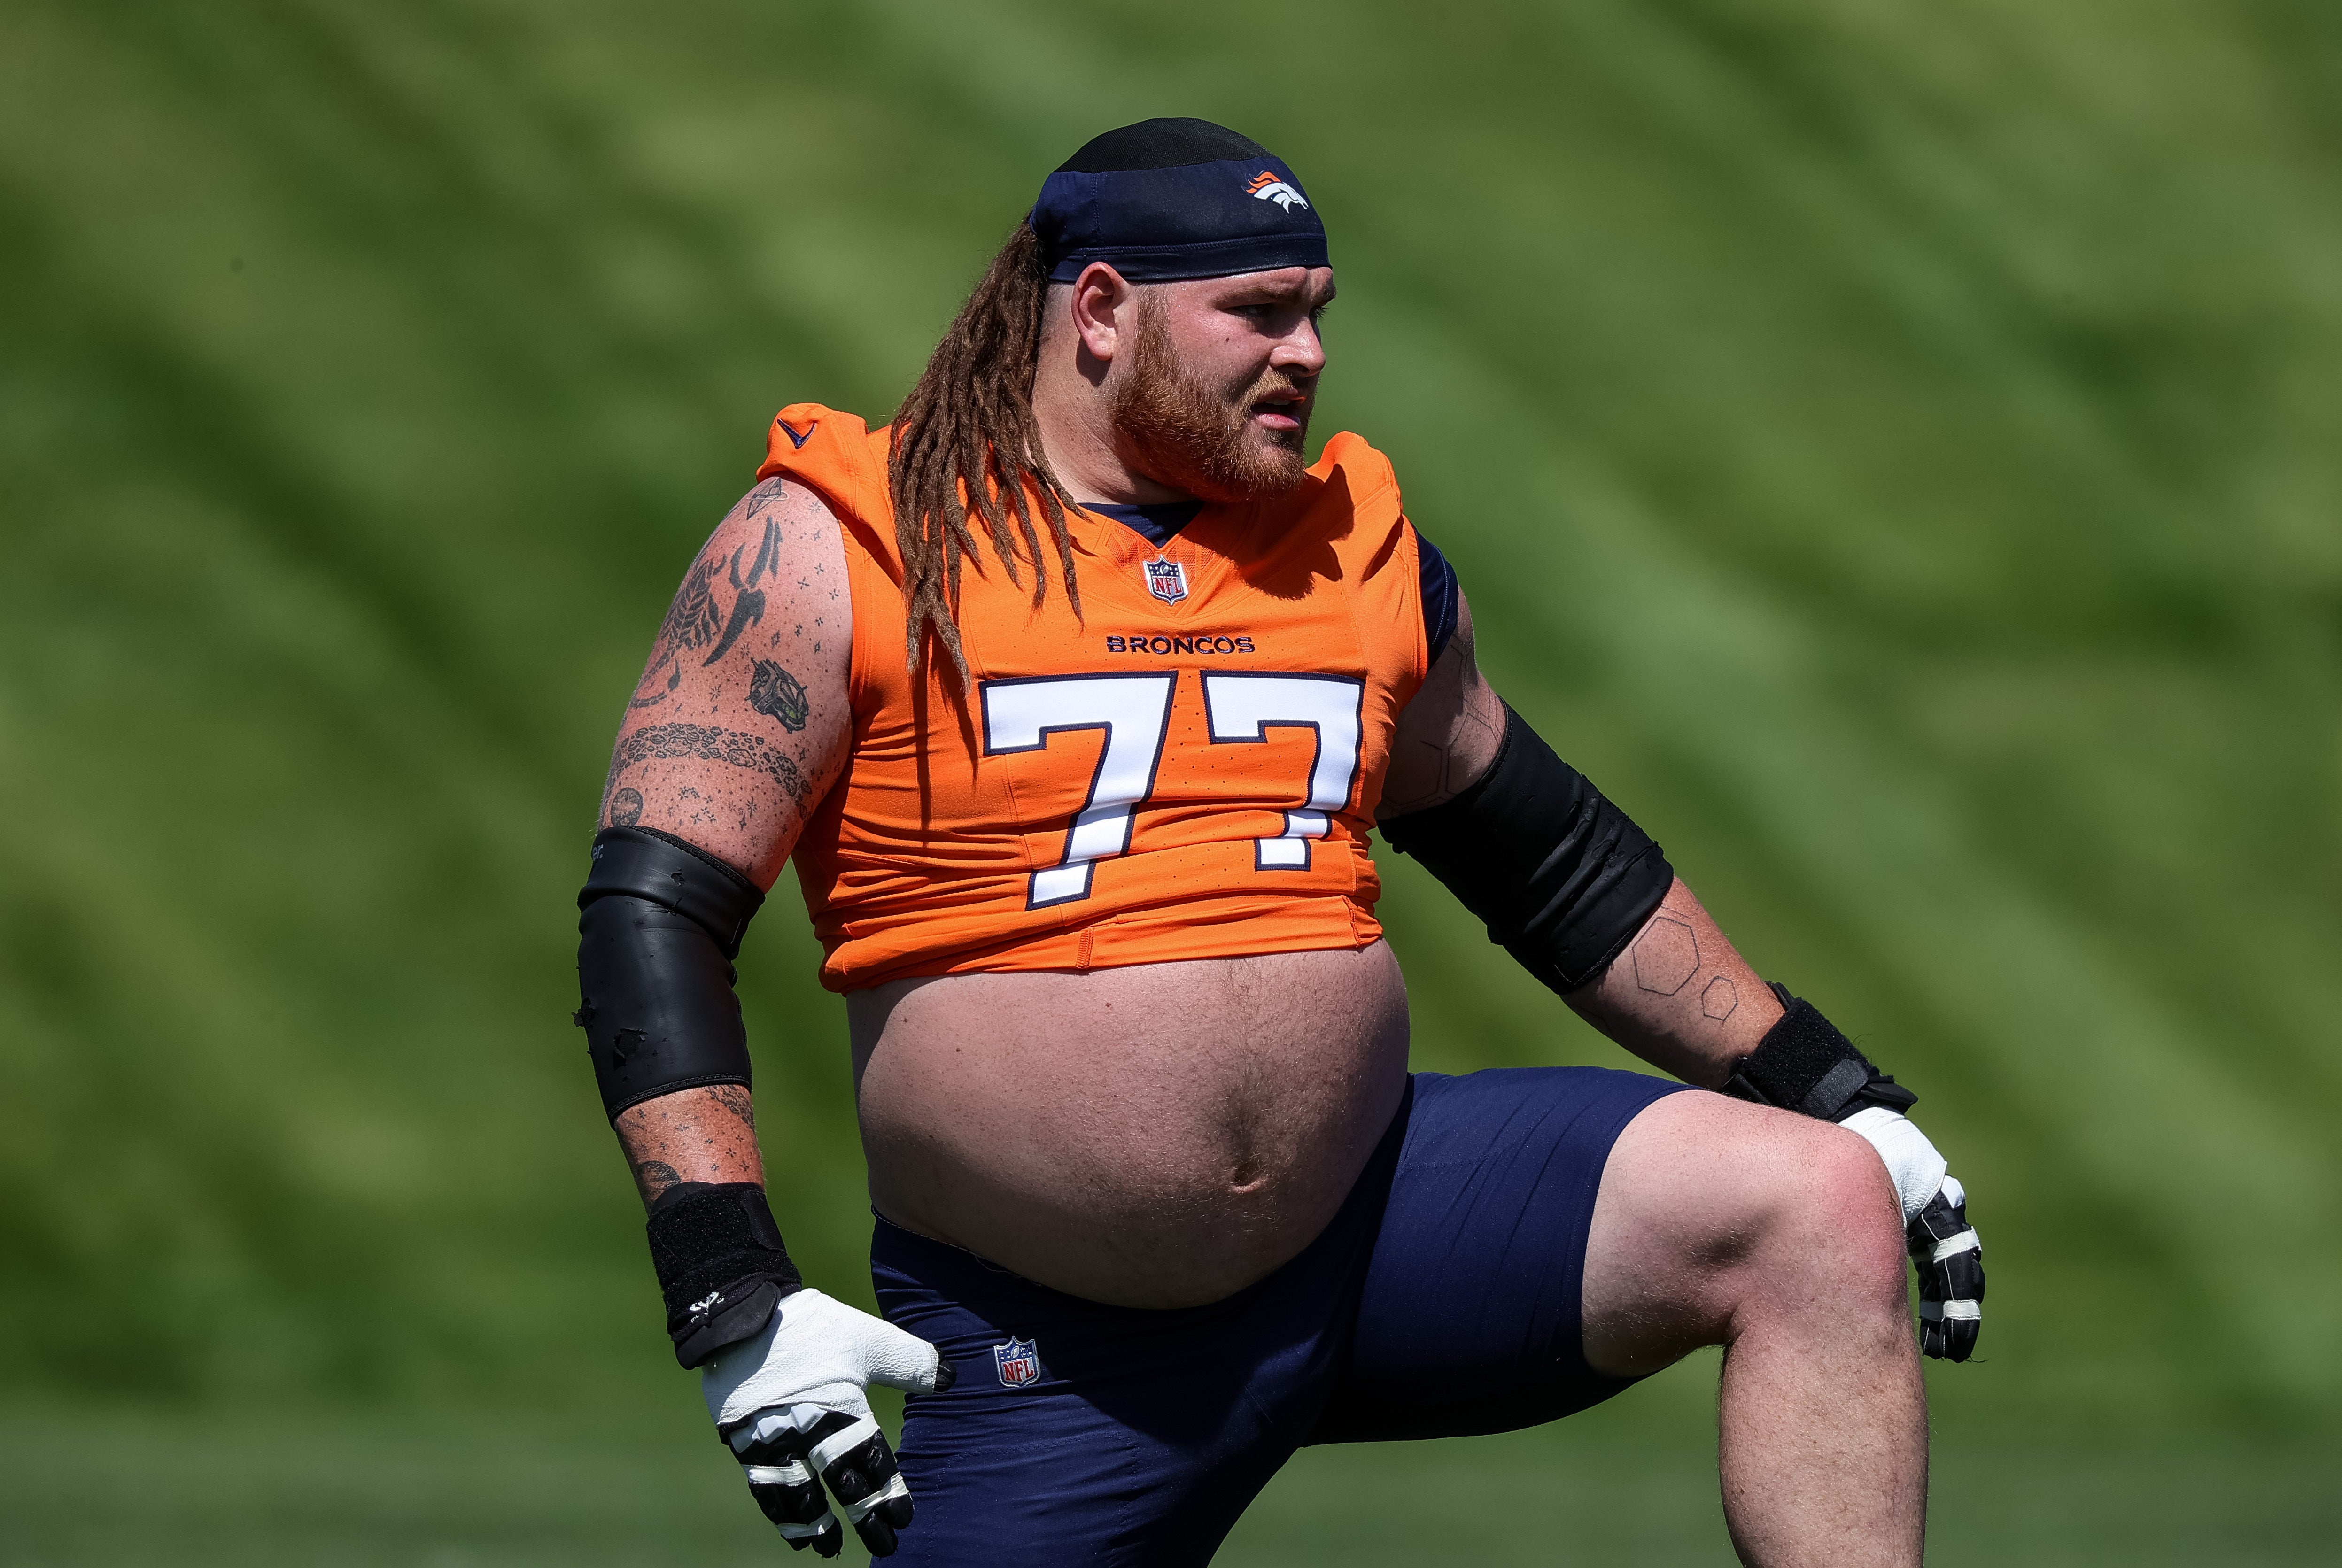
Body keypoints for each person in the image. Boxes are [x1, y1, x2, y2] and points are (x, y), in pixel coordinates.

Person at [574, 118, 1984, 1567]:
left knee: (1812, 1203)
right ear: (1104, 311)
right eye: (1255, 313)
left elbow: (1544, 854)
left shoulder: (1348, 540)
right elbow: (653, 917)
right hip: (1054, 1341)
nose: (1304, 354)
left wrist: (1827, 1087)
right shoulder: (847, 536)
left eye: (1314, 314)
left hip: (1374, 1236)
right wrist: (728, 1285)